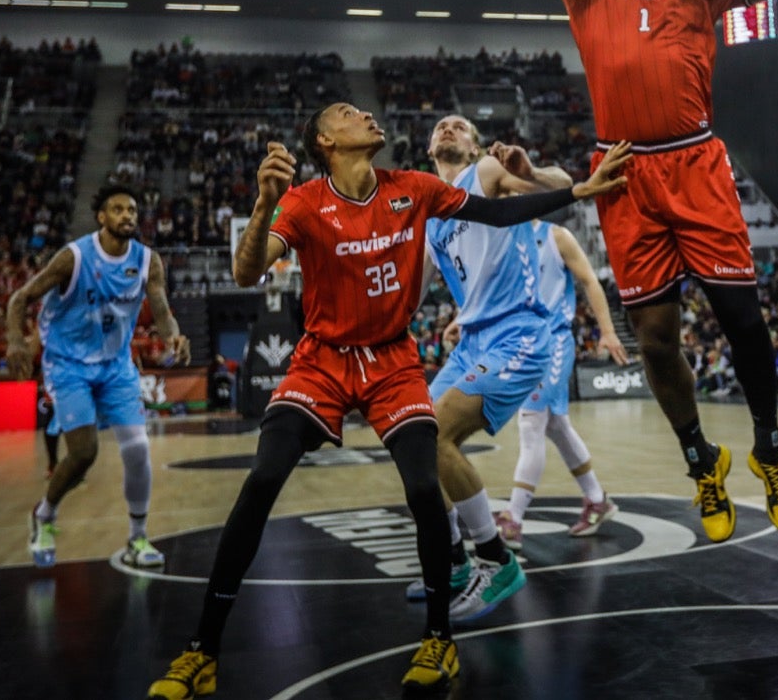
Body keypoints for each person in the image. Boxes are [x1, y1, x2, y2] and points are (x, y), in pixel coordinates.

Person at [145, 105, 631, 699]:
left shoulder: (418, 189)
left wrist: (578, 188)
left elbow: (502, 208)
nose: (368, 113)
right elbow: (248, 273)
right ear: (325, 140)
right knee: (263, 477)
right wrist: (263, 199)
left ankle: (440, 634)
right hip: (322, 360)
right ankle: (202, 650)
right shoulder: (301, 201)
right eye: (350, 113)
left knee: (425, 479)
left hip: (395, 360)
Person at [498, 0, 778, 540]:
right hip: (626, 173)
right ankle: (702, 460)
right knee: (658, 339)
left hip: (695, 163)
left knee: (743, 322)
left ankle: (770, 448)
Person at [421, 115, 606, 620]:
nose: (449, 129)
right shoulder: (431, 213)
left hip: (519, 336)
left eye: (459, 126)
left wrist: (531, 169)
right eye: (442, 126)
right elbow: (413, 294)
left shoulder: (484, 173)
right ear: (429, 146)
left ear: (477, 144)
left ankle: (495, 558)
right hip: (473, 341)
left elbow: (568, 188)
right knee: (414, 437)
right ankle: (455, 561)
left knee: (438, 433)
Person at [5, 184, 188, 572]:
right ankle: (45, 514)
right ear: (102, 217)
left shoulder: (147, 261)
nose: (127, 216)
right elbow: (19, 298)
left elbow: (160, 309)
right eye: (118, 209)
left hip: (115, 365)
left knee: (137, 449)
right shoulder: (73, 258)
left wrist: (172, 333)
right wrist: (16, 341)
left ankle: (138, 537)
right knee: (84, 453)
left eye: (132, 210)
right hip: (68, 364)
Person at [498, 219, 632, 544]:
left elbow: (589, 280)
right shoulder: (502, 236)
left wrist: (609, 331)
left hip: (553, 341)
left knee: (531, 424)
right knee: (556, 425)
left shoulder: (557, 236)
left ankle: (512, 519)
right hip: (522, 344)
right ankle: (598, 499)